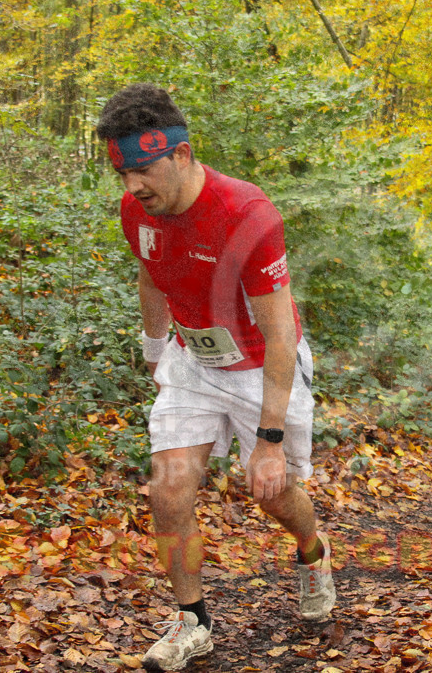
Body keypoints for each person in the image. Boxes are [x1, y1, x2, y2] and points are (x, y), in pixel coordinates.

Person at [96, 84, 335, 672]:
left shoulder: (246, 214)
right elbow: (152, 278)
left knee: (273, 492)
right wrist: (156, 353)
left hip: (262, 366)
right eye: (123, 175)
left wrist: (269, 440)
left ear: (181, 155)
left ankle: (314, 553)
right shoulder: (139, 211)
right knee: (168, 488)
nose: (132, 188)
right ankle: (192, 620)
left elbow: (280, 333)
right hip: (193, 362)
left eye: (144, 171)